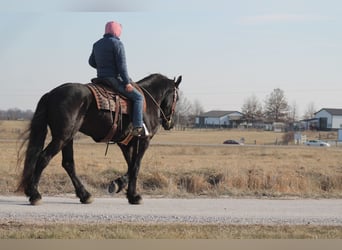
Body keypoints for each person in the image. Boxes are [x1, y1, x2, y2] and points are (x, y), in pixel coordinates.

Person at [89, 21, 144, 137]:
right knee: (138, 97)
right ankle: (137, 126)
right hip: (113, 79)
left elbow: (91, 62)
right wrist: (127, 83)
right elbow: (122, 66)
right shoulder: (117, 44)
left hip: (100, 78)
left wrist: (102, 66)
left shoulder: (97, 44)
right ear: (117, 31)